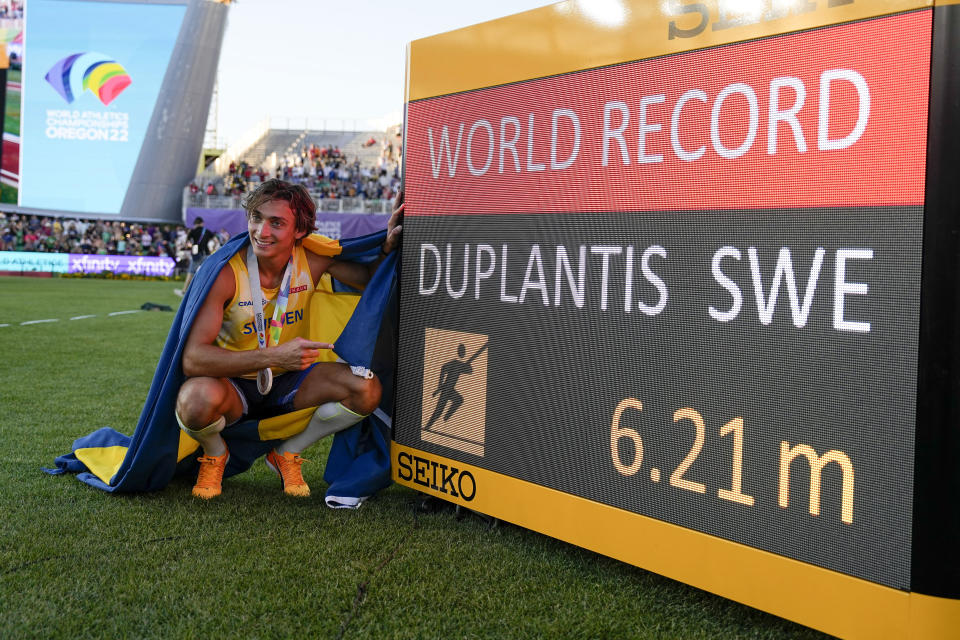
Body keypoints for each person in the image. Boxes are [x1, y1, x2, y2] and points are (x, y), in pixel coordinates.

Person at [175, 179, 402, 499]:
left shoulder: (312, 259)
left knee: (366, 389)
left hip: (291, 378)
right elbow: (193, 358)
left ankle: (286, 453)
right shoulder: (226, 273)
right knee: (193, 401)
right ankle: (215, 452)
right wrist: (272, 357)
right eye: (256, 217)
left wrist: (386, 247)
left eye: (276, 222)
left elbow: (369, 280)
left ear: (299, 231)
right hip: (232, 384)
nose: (261, 231)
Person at [174, 217, 216, 296]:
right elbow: (216, 241)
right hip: (206, 254)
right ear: (202, 223)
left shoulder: (192, 231)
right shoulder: (207, 231)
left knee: (191, 272)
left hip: (197, 254)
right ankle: (208, 292)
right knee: (207, 273)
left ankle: (184, 291)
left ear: (195, 224)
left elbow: (187, 243)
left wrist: (191, 245)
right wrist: (212, 249)